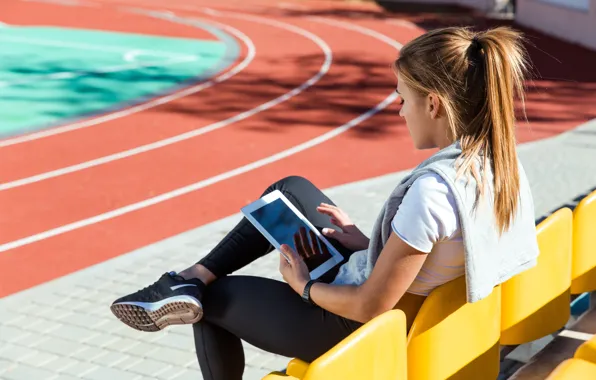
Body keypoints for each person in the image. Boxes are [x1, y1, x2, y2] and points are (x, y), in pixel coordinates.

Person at [110, 25, 540, 380]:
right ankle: (190, 276)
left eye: (402, 98)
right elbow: (436, 256)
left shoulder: (435, 191)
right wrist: (366, 243)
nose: (399, 111)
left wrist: (306, 288)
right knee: (290, 190)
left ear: (433, 104)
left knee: (214, 301)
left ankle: (195, 287)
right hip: (410, 306)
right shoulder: (501, 165)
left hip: (351, 324)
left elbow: (371, 304)